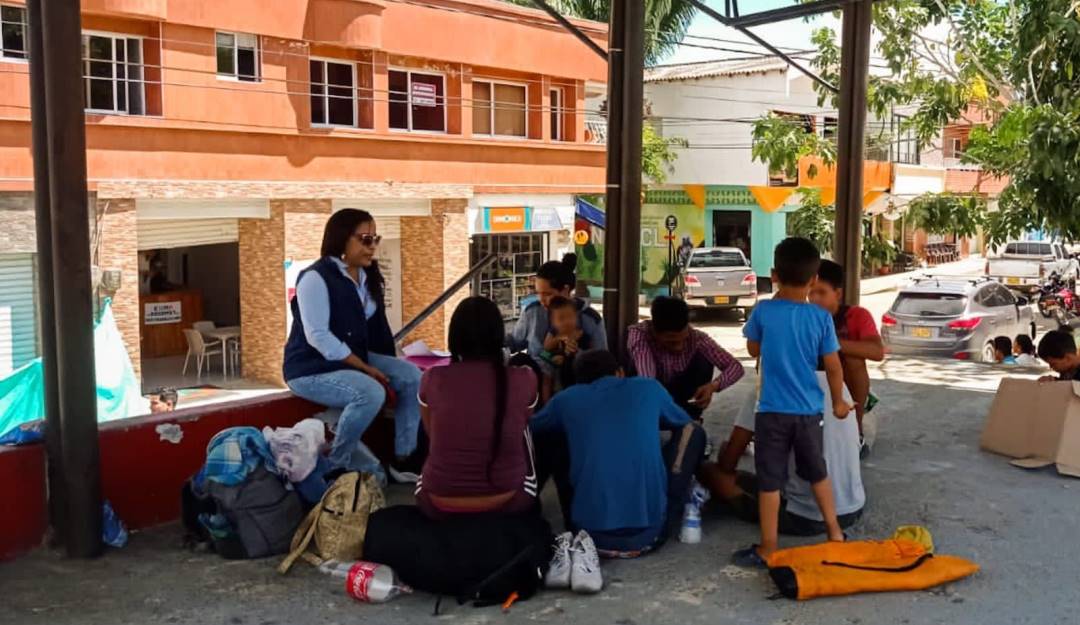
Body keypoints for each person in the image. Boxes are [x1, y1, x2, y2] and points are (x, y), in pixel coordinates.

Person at [733, 237, 850, 568]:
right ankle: (835, 533)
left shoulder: (765, 310)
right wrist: (839, 402)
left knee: (770, 480)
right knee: (817, 472)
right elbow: (833, 365)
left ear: (773, 275)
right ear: (814, 280)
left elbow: (754, 350)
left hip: (771, 412)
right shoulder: (821, 318)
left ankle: (769, 547)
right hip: (810, 413)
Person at [283, 209, 422, 484]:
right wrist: (365, 368)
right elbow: (318, 336)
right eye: (365, 239)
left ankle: (405, 457)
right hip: (310, 367)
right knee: (369, 393)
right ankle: (337, 464)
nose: (372, 246)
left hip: (351, 360)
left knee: (413, 377)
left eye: (375, 239)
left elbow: (377, 329)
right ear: (342, 239)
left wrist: (389, 363)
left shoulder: (366, 277)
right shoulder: (315, 278)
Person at [530, 350, 706, 558]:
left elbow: (528, 428)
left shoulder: (566, 399)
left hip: (587, 537)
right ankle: (677, 501)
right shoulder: (649, 388)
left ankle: (528, 511)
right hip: (649, 537)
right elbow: (684, 421)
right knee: (693, 432)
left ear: (579, 381)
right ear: (620, 372)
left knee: (550, 435)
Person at [414, 297, 540, 519]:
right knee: (523, 429)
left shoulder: (432, 378)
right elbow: (521, 424)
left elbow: (431, 433)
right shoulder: (525, 378)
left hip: (436, 503)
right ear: (498, 335)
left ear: (454, 337)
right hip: (510, 500)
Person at [699, 373, 865, 536]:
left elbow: (728, 462)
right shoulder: (837, 384)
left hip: (806, 515)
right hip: (853, 506)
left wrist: (727, 450)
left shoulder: (766, 389)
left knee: (709, 472)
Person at [808, 260, 885, 457]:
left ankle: (856, 432)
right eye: (811, 292)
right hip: (809, 384)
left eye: (821, 292)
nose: (815, 298)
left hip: (846, 388)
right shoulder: (802, 316)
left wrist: (829, 343)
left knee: (854, 359)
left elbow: (877, 352)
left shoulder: (856, 315)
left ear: (838, 294)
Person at [626, 296, 744, 421]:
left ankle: (689, 418)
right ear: (654, 331)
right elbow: (648, 381)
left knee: (703, 361)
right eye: (671, 342)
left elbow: (735, 367)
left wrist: (712, 386)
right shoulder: (640, 334)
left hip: (683, 398)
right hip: (650, 400)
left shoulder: (696, 337)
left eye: (683, 339)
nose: (679, 347)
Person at [507, 254, 606, 378]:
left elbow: (602, 361)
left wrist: (577, 353)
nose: (541, 300)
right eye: (538, 293)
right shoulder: (533, 312)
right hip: (538, 379)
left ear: (565, 290)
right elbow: (515, 342)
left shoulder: (590, 319)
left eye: (548, 294)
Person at [539, 295, 592, 400]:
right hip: (555, 366)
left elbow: (591, 353)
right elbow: (545, 349)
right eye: (561, 318)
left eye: (570, 316)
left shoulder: (582, 335)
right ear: (553, 322)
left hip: (575, 371)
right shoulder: (554, 333)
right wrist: (559, 339)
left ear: (576, 317)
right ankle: (547, 405)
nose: (567, 321)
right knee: (546, 371)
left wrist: (576, 350)